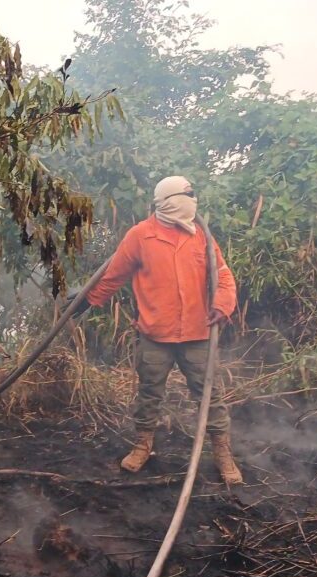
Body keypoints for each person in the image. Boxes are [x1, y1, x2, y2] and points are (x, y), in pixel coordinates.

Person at [70, 176, 243, 485]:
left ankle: (222, 455)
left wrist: (223, 303)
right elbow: (114, 274)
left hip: (198, 331)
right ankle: (142, 446)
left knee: (209, 396)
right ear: (169, 202)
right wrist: (89, 300)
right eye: (188, 195)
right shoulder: (141, 236)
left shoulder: (200, 235)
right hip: (155, 334)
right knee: (149, 394)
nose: (194, 201)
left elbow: (223, 274)